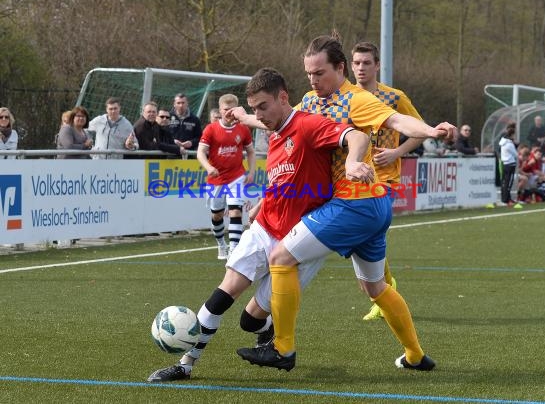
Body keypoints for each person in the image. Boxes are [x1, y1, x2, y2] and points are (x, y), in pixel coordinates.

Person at [236, 33, 454, 372]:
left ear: (340, 68)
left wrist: (430, 131)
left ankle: (282, 348)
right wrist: (244, 116)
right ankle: (415, 355)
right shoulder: (310, 101)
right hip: (373, 205)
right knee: (374, 286)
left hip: (354, 203)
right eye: (308, 73)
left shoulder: (356, 99)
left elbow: (396, 121)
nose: (313, 80)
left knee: (281, 257)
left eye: (319, 72)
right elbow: (280, 121)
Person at [147, 67, 375, 382]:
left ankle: (269, 336)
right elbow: (283, 179)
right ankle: (185, 364)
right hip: (265, 229)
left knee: (250, 321)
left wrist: (352, 161)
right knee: (222, 295)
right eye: (254, 109)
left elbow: (357, 136)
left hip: (300, 243)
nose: (259, 116)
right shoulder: (275, 131)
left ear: (284, 98)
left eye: (263, 107)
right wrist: (262, 204)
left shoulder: (308, 125)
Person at [351, 41, 424, 321]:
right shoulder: (345, 97)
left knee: (371, 234)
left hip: (385, 179)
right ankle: (384, 289)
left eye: (366, 63)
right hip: (353, 182)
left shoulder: (394, 97)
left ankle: (383, 293)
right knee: (362, 241)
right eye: (356, 63)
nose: (360, 68)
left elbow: (419, 131)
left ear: (377, 65)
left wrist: (396, 151)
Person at [197, 94, 256, 259]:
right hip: (216, 180)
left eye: (232, 109)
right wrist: (209, 167)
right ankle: (221, 244)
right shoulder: (211, 129)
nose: (229, 113)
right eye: (225, 109)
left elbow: (250, 151)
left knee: (235, 211)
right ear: (220, 109)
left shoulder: (243, 129)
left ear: (237, 109)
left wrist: (251, 171)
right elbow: (200, 152)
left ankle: (234, 249)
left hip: (236, 176)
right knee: (216, 214)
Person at [498, 123, 517, 205]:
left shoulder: (502, 143)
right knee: (508, 183)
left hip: (505, 164)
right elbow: (515, 154)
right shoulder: (509, 144)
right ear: (512, 135)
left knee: (505, 182)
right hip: (511, 164)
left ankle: (506, 198)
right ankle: (506, 200)